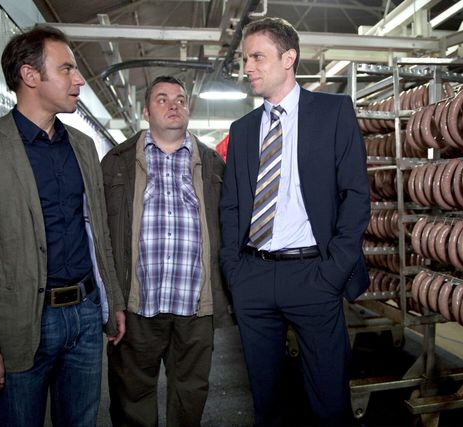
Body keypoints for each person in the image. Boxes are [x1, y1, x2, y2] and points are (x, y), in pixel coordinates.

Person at [0, 25, 126, 427]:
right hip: (21, 322)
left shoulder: (82, 146)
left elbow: (98, 235)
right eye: (67, 69)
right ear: (30, 75)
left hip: (85, 314)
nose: (78, 79)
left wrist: (112, 302)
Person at [219, 17, 371, 426]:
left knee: (328, 400)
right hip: (253, 276)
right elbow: (231, 206)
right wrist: (235, 271)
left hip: (313, 275)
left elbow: (356, 195)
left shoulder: (333, 112)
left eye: (257, 57)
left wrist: (333, 271)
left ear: (288, 58)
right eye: (245, 58)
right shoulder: (243, 130)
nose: (247, 67)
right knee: (267, 402)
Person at [101, 76, 233, 427]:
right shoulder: (116, 162)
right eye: (162, 99)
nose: (174, 105)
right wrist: (112, 299)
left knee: (190, 396)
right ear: (146, 112)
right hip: (138, 304)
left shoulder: (213, 164)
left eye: (180, 99)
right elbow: (101, 234)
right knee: (132, 398)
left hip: (195, 305)